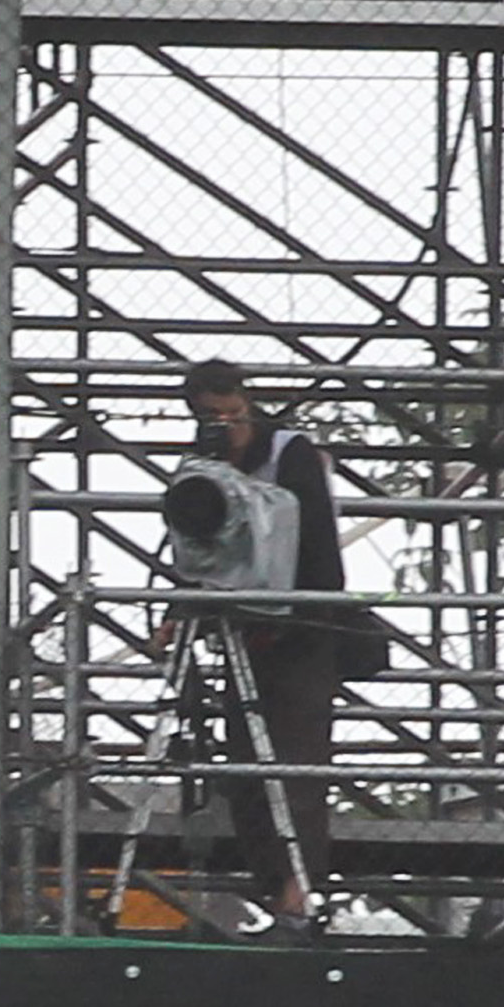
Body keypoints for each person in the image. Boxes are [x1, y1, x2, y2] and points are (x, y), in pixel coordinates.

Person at [167, 359, 359, 938]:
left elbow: (319, 543)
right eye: (211, 416)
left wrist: (309, 617)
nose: (225, 424)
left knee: (296, 767)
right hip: (243, 634)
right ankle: (272, 894)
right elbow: (197, 546)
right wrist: (181, 611)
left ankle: (299, 900)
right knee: (248, 772)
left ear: (247, 403)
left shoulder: (289, 453)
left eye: (232, 413)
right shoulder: (199, 466)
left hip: (301, 630)